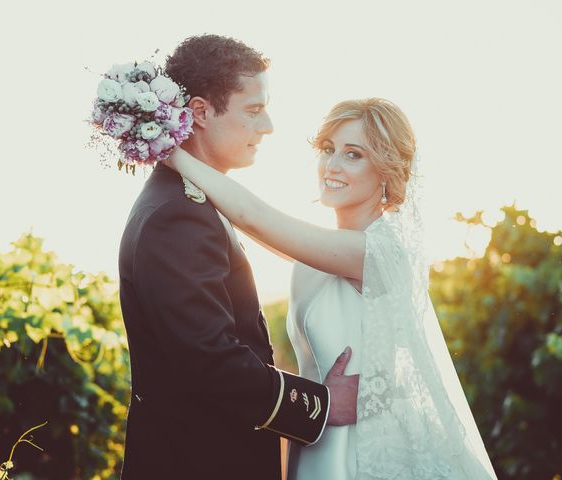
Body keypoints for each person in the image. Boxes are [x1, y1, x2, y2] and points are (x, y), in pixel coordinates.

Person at [165, 98, 499, 479]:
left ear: (387, 170)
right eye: (328, 150)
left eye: (353, 154)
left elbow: (253, 217)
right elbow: (248, 224)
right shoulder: (321, 251)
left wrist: (170, 151)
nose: (332, 166)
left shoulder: (378, 251)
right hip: (319, 430)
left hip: (361, 448)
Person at [118, 34, 359, 480]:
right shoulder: (178, 216)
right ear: (200, 112)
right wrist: (320, 406)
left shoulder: (190, 203)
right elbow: (209, 358)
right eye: (253, 110)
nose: (267, 126)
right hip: (197, 463)